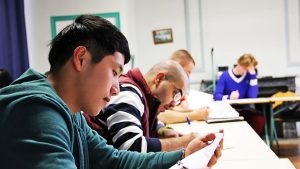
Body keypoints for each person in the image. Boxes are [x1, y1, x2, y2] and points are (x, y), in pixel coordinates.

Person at [0, 15, 221, 169]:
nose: (116, 88)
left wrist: (184, 156)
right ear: (81, 59)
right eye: (114, 72)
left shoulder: (72, 111)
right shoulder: (37, 113)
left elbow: (112, 160)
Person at [93, 60, 201, 153]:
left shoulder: (143, 96)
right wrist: (183, 142)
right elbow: (131, 147)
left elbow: (145, 119)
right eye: (175, 94)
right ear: (159, 78)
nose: (173, 103)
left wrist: (163, 131)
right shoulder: (128, 94)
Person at [213, 53, 265, 135]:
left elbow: (252, 96)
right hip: (228, 110)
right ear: (238, 63)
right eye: (244, 67)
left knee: (259, 119)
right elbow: (216, 96)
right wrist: (229, 97)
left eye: (248, 68)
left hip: (245, 110)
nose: (245, 70)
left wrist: (253, 76)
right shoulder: (225, 75)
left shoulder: (249, 76)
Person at [158, 49, 210, 124]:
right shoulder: (164, 83)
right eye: (188, 72)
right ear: (177, 67)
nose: (188, 77)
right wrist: (195, 115)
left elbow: (171, 109)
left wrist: (195, 111)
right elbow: (161, 115)